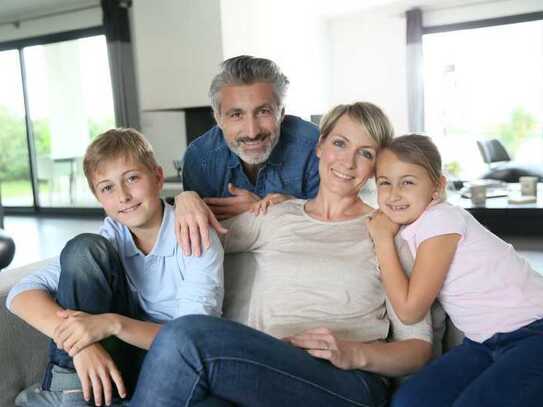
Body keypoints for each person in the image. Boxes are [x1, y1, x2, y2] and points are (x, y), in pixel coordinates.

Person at [130, 102, 433, 407]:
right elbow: (185, 240)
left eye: (365, 153)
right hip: (262, 370)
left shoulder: (386, 232)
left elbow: (418, 349)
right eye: (340, 143)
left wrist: (353, 352)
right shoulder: (277, 215)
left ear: (375, 167)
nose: (348, 162)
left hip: (347, 382)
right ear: (320, 147)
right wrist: (186, 198)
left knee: (184, 336)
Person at [7, 129, 224, 406]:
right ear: (98, 197)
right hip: (109, 355)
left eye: (132, 178)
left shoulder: (195, 236)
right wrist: (84, 345)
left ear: (158, 177)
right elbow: (21, 294)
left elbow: (193, 339)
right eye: (107, 187)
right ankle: (71, 390)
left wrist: (111, 325)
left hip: (168, 357)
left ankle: (54, 397)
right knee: (83, 248)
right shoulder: (108, 239)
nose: (123, 196)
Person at [366, 134, 543, 407]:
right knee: (409, 402)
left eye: (408, 182)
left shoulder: (440, 219)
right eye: (384, 182)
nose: (393, 194)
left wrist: (382, 240)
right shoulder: (408, 220)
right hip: (483, 343)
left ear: (437, 187)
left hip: (533, 333)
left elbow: (410, 310)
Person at [175, 55, 320, 256]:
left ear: (282, 112)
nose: (252, 132)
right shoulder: (200, 158)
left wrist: (279, 209)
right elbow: (203, 241)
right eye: (236, 115)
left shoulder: (314, 146)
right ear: (218, 118)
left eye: (263, 112)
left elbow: (332, 228)